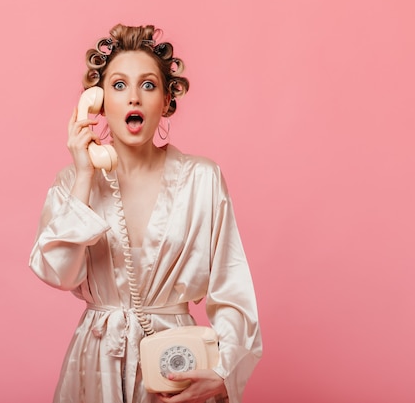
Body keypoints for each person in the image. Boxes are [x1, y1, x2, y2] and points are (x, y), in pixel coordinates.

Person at [29, 24, 262, 403]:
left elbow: (232, 290)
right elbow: (58, 272)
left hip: (175, 362)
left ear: (167, 100)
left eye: (148, 85)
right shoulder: (74, 181)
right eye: (119, 85)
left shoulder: (202, 179)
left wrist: (224, 371)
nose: (134, 97)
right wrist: (85, 175)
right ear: (98, 101)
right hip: (95, 362)